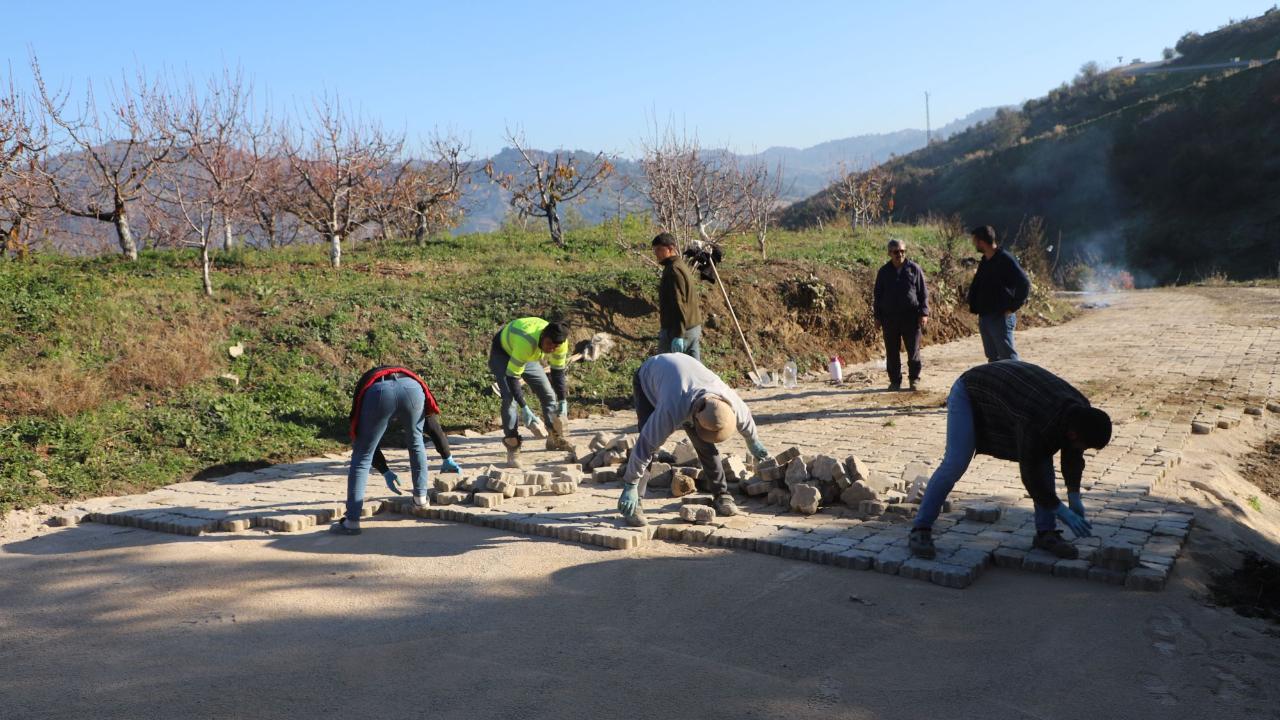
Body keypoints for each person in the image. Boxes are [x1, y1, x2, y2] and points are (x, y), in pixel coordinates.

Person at [908, 360, 1113, 559]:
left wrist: (1074, 495)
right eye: (1085, 446)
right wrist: (1061, 509)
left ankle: (1046, 534)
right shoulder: (1037, 419)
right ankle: (921, 528)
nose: (1082, 450)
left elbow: (1072, 455)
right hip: (971, 390)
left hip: (1014, 390)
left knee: (1043, 458)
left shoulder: (1081, 412)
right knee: (956, 462)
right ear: (1074, 435)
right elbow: (1031, 475)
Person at [616, 353, 772, 526]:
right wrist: (630, 483)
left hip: (684, 376)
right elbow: (645, 445)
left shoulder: (730, 401)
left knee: (706, 446)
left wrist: (753, 442)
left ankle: (722, 495)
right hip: (649, 376)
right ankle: (636, 500)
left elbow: (747, 421)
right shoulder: (671, 409)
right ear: (695, 418)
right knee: (651, 447)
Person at [330, 365, 461, 536]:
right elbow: (432, 424)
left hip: (379, 392)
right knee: (416, 442)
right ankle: (421, 499)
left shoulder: (366, 385)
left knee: (362, 455)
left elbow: (365, 443)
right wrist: (447, 456)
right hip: (412, 388)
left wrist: (384, 470)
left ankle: (352, 522)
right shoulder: (410, 378)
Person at [488, 317, 572, 466]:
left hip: (528, 355)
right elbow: (512, 378)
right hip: (503, 353)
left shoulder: (561, 343)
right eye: (549, 344)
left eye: (555, 346)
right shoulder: (526, 343)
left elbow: (558, 373)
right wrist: (525, 408)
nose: (551, 349)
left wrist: (563, 400)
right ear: (542, 336)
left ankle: (554, 436)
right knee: (509, 399)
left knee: (548, 394)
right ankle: (513, 445)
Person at [967, 225, 1031, 362]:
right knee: (993, 358)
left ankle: (1014, 383)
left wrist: (1012, 307)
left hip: (1000, 317)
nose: (973, 244)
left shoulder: (1005, 259)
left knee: (1008, 358)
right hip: (985, 316)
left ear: (982, 242)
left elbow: (1024, 284)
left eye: (975, 241)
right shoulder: (985, 260)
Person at [873, 238, 930, 391]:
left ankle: (914, 379)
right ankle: (895, 381)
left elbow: (923, 293)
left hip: (910, 317)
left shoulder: (914, 269)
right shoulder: (884, 272)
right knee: (892, 352)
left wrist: (924, 313)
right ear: (889, 253)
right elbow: (877, 295)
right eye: (896, 252)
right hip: (889, 318)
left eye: (902, 251)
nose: (900, 254)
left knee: (913, 351)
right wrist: (877, 317)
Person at [652, 232, 703, 360]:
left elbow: (678, 303)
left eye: (659, 249)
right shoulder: (680, 265)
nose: (656, 253)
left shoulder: (673, 270)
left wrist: (678, 335)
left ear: (670, 248)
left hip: (680, 331)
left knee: (665, 368)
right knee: (694, 370)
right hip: (692, 327)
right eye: (654, 250)